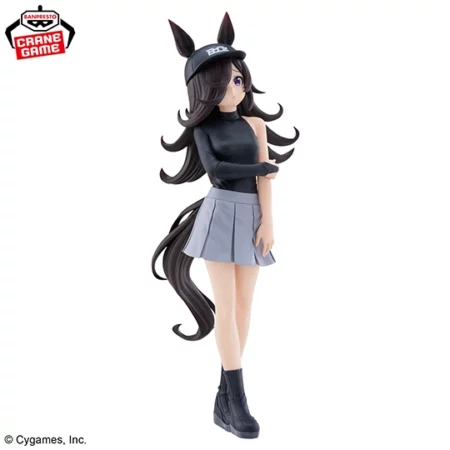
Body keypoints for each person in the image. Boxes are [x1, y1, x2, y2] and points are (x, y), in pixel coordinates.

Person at [152, 12, 300, 439]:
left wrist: (269, 221)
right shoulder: (204, 129)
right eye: (224, 83)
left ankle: (223, 398)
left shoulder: (255, 124)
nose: (236, 88)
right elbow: (215, 168)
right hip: (219, 214)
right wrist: (261, 167)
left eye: (239, 79)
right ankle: (238, 401)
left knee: (244, 307)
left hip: (252, 214)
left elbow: (265, 180)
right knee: (227, 305)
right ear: (204, 89)